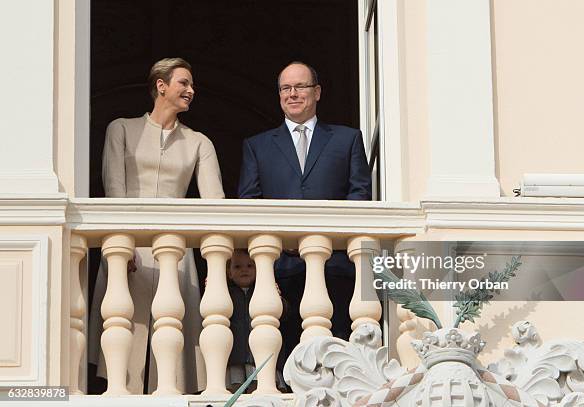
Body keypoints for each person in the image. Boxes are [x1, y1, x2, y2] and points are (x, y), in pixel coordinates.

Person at [88, 57, 224, 394]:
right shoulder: (120, 128)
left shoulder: (199, 142)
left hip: (176, 252)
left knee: (172, 353)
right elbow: (114, 189)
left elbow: (217, 207)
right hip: (127, 247)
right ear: (161, 86)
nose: (191, 90)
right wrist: (122, 244)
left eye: (192, 85)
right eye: (184, 83)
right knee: (123, 346)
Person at [238, 61, 371, 356]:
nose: (292, 94)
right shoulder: (257, 146)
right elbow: (249, 204)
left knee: (337, 353)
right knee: (282, 356)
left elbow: (359, 194)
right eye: (286, 88)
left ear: (317, 92)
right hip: (280, 271)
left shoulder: (347, 139)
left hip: (336, 267)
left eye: (300, 86)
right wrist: (283, 243)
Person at [223, 249, 288, 393]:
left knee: (259, 386)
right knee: (235, 387)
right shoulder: (226, 293)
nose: (244, 270)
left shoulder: (264, 290)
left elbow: (283, 314)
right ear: (229, 273)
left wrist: (277, 297)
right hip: (236, 354)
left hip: (259, 353)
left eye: (250, 266)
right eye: (237, 267)